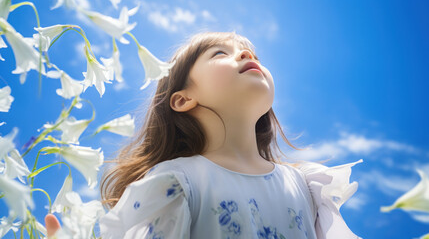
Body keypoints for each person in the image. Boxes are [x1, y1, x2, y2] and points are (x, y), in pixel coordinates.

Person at [45, 31, 363, 239]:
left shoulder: (307, 188)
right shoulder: (176, 181)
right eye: (219, 53)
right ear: (183, 99)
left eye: (251, 53)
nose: (246, 56)